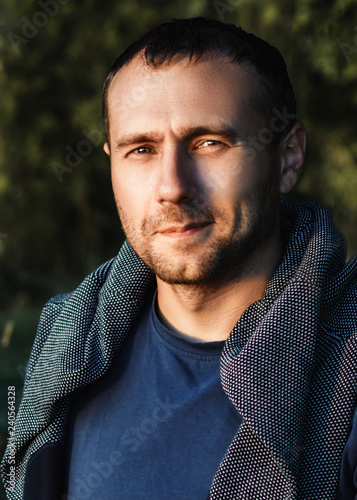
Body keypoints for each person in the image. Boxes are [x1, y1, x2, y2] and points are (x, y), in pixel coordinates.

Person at [1, 17, 356, 500]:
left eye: (208, 143)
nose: (172, 186)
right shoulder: (66, 341)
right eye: (141, 150)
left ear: (288, 156)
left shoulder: (345, 366)